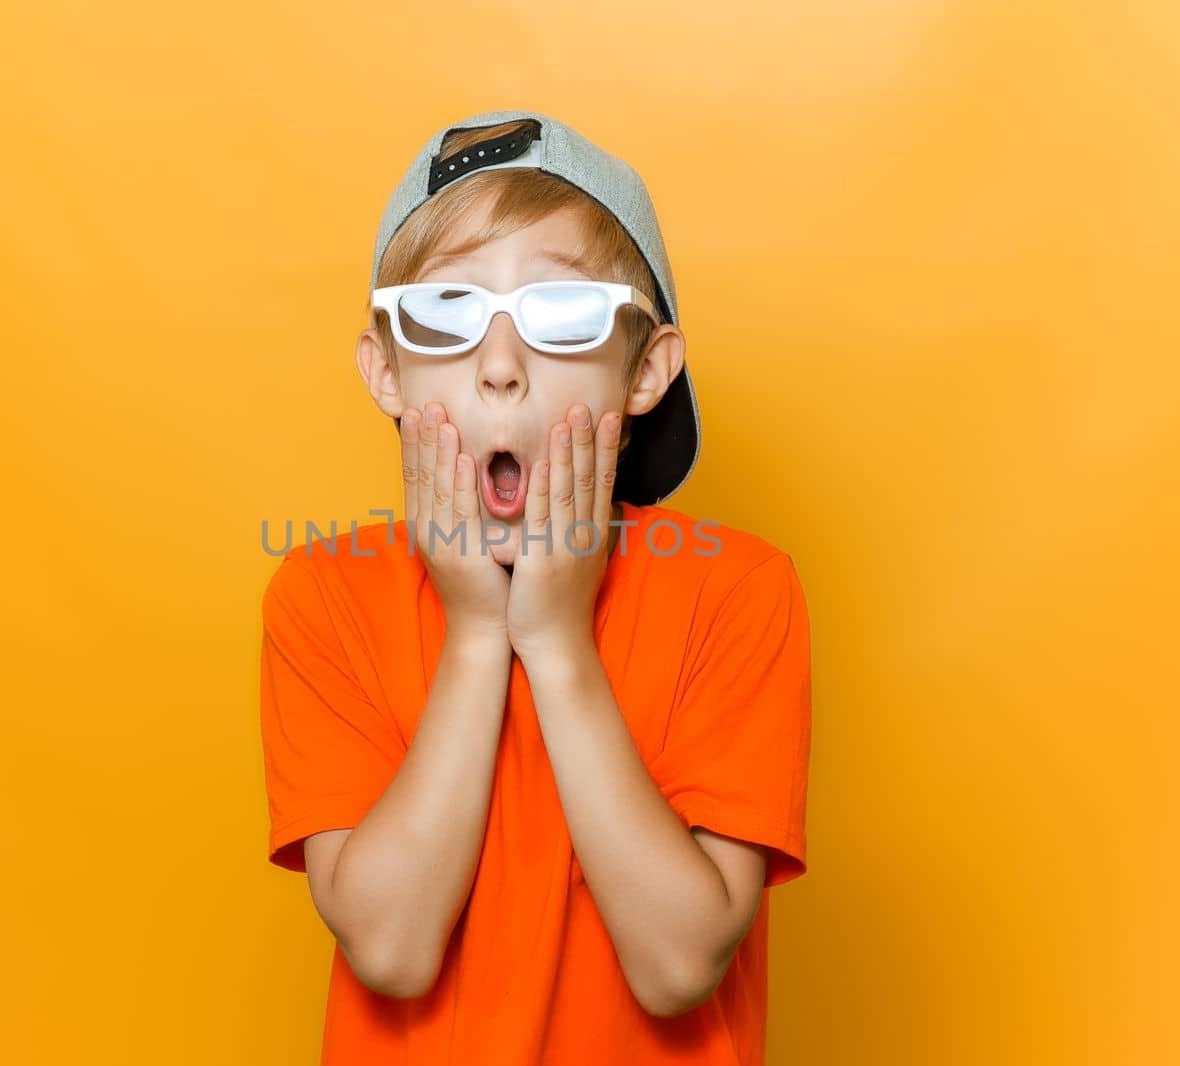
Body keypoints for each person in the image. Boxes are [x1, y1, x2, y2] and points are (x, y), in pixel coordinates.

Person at [258, 109, 813, 1065]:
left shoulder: (738, 593)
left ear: (645, 370)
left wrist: (555, 641)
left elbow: (680, 964)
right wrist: (478, 631)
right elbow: (390, 947)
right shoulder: (322, 596)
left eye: (561, 316)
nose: (501, 368)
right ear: (385, 370)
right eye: (448, 315)